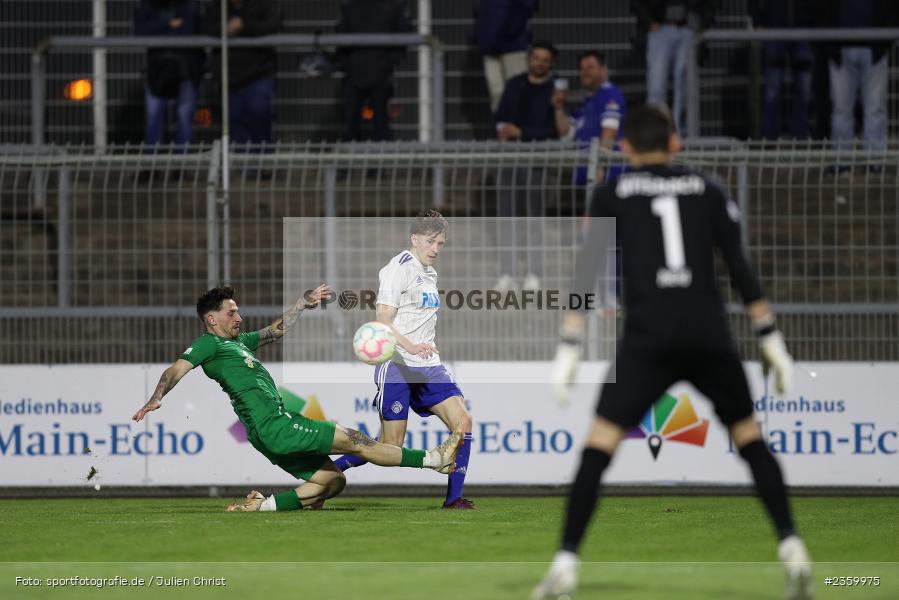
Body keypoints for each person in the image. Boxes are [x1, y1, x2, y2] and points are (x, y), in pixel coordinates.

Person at [532, 105, 812, 600]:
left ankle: (565, 565)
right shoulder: (708, 189)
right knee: (750, 439)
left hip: (648, 338)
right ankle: (793, 550)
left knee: (599, 447)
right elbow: (740, 267)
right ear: (675, 143)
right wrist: (770, 337)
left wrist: (570, 345)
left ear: (625, 148)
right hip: (708, 335)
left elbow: (587, 271)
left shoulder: (612, 192)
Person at [131, 284, 462, 512]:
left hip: (267, 432)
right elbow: (174, 370)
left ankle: (264, 506)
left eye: (238, 312)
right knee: (357, 440)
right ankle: (435, 459)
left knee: (333, 481)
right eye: (231, 313)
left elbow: (275, 331)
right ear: (211, 319)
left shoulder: (238, 343)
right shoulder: (208, 344)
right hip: (275, 425)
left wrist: (302, 304)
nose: (239, 318)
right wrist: (156, 397)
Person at [333, 210, 476, 509]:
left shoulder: (429, 273)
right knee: (389, 446)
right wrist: (411, 345)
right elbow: (383, 319)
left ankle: (454, 499)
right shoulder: (397, 268)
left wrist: (424, 346)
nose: (435, 249)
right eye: (430, 241)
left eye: (440, 243)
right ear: (414, 238)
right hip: (398, 363)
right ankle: (326, 475)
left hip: (429, 365)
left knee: (464, 422)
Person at [493, 40, 559, 292]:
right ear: (530, 58)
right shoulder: (515, 84)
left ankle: (534, 273)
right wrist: (503, 131)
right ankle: (507, 274)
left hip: (536, 161)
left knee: (534, 219)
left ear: (550, 64)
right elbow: (499, 118)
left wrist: (521, 132)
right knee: (507, 218)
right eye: (536, 58)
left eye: (545, 60)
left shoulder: (554, 91)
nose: (539, 63)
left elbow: (553, 132)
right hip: (509, 158)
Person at [819, 0, 898, 163]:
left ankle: (875, 163)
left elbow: (892, 7)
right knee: (841, 110)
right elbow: (822, 9)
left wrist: (884, 42)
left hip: (874, 49)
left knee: (875, 109)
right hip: (840, 49)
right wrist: (829, 44)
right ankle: (841, 162)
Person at [631, 0, 717, 135]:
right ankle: (655, 136)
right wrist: (648, 22)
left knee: (685, 87)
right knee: (656, 87)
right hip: (661, 27)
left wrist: (703, 24)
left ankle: (681, 137)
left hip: (690, 27)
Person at [204, 0, 280, 147]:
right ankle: (243, 160)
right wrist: (223, 28)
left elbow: (273, 24)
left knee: (259, 115)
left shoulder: (263, 4)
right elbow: (204, 26)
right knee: (235, 122)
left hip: (258, 73)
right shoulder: (218, 6)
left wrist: (244, 25)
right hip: (229, 76)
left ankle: (262, 155)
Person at [336, 0, 411, 142]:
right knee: (369, 124)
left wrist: (349, 65)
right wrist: (387, 63)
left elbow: (340, 36)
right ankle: (359, 154)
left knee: (360, 123)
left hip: (366, 73)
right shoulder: (393, 6)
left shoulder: (351, 6)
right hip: (369, 72)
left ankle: (354, 153)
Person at [134, 0, 204, 147]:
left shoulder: (190, 4)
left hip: (187, 67)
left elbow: (189, 30)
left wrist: (159, 29)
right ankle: (153, 160)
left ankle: (182, 160)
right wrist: (168, 24)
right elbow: (140, 31)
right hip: (157, 68)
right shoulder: (148, 4)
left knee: (184, 116)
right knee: (154, 116)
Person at [553, 50, 627, 186]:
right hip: (587, 175)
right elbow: (566, 133)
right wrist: (559, 107)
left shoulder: (609, 94)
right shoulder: (587, 101)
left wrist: (599, 165)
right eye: (582, 69)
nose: (585, 72)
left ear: (604, 70)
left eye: (590, 67)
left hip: (607, 177)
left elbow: (610, 131)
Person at [750, 0, 816, 140]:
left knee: (804, 89)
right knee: (772, 90)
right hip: (774, 27)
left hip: (804, 28)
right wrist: (757, 20)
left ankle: (800, 138)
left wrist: (815, 20)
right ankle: (769, 139)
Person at [474, 0, 539, 112]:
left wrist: (510, 29)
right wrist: (481, 35)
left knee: (517, 93)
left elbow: (528, 6)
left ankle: (518, 122)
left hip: (514, 44)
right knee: (496, 94)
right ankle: (500, 122)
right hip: (491, 44)